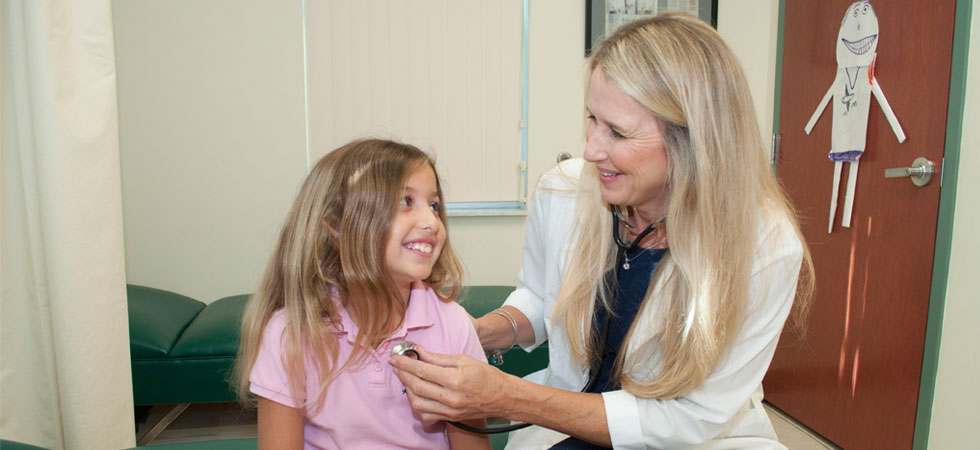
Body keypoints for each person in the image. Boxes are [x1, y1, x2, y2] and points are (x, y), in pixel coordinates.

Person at [389, 13, 815, 449]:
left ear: (695, 142)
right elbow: (539, 295)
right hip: (569, 417)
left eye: (617, 131)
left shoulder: (765, 246)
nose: (591, 149)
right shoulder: (563, 192)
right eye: (592, 118)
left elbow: (690, 418)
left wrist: (510, 395)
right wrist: (475, 333)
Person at [234, 139, 491, 450]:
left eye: (433, 205)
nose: (431, 222)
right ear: (337, 227)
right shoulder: (290, 332)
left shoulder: (453, 325)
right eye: (405, 201)